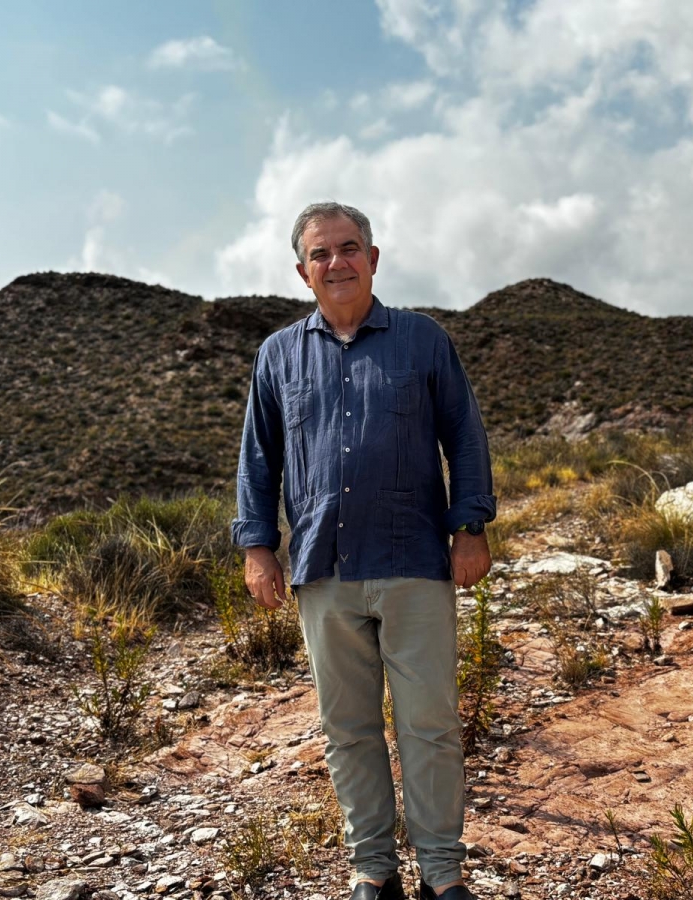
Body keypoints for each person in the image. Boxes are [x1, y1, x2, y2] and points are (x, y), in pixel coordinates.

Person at [231, 201, 496, 900]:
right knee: (347, 730)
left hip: (414, 562)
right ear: (302, 272)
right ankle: (372, 870)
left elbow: (464, 435)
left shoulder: (422, 340)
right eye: (320, 254)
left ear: (373, 259)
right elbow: (258, 459)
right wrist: (258, 547)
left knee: (430, 726)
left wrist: (470, 526)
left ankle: (442, 874)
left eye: (349, 248)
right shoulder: (277, 355)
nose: (336, 263)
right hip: (324, 568)